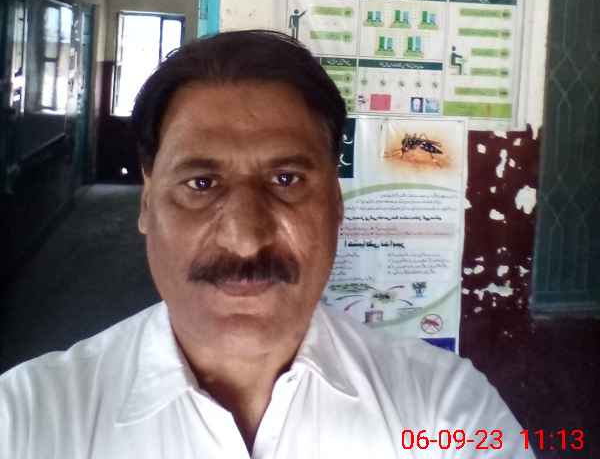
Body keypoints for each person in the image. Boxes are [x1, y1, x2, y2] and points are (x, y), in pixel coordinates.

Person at [0, 30, 531, 458]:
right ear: (146, 202)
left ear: (336, 203)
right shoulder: (25, 421)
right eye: (201, 184)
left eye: (286, 180)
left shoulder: (445, 412)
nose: (245, 237)